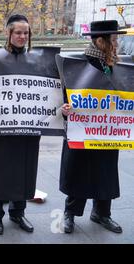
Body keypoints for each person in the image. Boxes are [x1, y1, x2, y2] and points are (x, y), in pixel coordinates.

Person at [60, 20, 126, 234]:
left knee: (105, 171)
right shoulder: (78, 64)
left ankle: (101, 213)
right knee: (78, 170)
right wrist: (65, 108)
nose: (117, 44)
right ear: (100, 41)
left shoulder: (117, 65)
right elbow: (64, 93)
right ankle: (70, 214)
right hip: (83, 129)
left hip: (107, 130)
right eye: (114, 40)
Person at [0, 14, 39, 235]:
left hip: (27, 127)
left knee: (23, 170)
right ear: (9, 33)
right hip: (0, 127)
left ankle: (18, 212)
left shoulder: (37, 60)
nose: (22, 36)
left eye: (26, 33)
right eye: (18, 32)